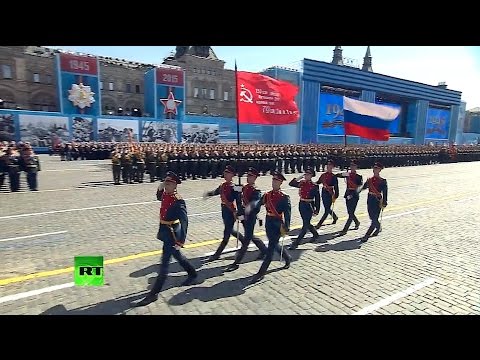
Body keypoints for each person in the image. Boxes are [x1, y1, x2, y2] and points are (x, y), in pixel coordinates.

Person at [135, 172, 197, 307]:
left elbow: (184, 221)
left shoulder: (178, 200)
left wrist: (181, 241)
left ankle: (153, 294)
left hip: (172, 233)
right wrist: (160, 186)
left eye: (169, 184)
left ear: (175, 185)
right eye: (166, 183)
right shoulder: (165, 194)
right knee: (178, 256)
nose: (166, 185)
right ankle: (192, 273)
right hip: (164, 230)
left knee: (164, 264)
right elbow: (158, 196)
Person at [249, 171, 292, 284]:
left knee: (270, 249)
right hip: (269, 222)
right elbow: (258, 204)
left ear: (281, 182)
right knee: (274, 243)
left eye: (276, 181)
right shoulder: (267, 195)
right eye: (273, 180)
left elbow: (287, 213)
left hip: (277, 223)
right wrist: (250, 208)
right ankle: (287, 257)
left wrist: (287, 225)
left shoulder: (284, 197)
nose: (274, 183)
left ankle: (261, 272)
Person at [225, 167, 267, 272]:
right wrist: (235, 190)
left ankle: (236, 262)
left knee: (246, 241)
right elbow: (234, 199)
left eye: (251, 176)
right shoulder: (244, 187)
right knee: (251, 235)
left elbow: (255, 205)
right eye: (248, 176)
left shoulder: (256, 190)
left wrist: (244, 212)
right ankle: (264, 250)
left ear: (255, 178)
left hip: (250, 217)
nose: (248, 178)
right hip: (243, 216)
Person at [203, 165, 244, 262]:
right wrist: (208, 194)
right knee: (230, 230)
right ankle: (244, 240)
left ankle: (217, 254)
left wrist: (239, 212)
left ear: (232, 175)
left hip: (230, 212)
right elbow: (216, 192)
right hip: (224, 210)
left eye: (228, 173)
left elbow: (238, 201)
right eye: (225, 173)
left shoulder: (234, 187)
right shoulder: (223, 185)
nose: (225, 175)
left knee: (226, 233)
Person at [288, 167, 320, 250]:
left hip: (309, 205)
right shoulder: (302, 183)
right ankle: (315, 234)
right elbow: (291, 184)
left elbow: (317, 199)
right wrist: (299, 177)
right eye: (305, 174)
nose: (306, 176)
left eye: (308, 174)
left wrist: (317, 210)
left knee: (305, 225)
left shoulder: (314, 186)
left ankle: (296, 243)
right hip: (302, 204)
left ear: (312, 176)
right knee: (306, 222)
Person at [359, 162, 388, 243]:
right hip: (370, 199)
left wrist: (385, 202)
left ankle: (367, 235)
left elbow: (385, 192)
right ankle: (378, 227)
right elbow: (363, 188)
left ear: (380, 170)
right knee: (371, 217)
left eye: (376, 168)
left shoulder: (383, 181)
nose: (374, 170)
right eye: (374, 168)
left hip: (377, 200)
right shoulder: (370, 180)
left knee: (374, 218)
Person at [335, 159, 363, 235]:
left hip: (354, 195)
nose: (352, 167)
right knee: (350, 212)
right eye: (351, 165)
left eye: (353, 165)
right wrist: (343, 174)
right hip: (347, 193)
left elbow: (360, 187)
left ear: (356, 167)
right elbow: (337, 175)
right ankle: (357, 222)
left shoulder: (359, 177)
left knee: (351, 213)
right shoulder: (348, 174)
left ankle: (345, 230)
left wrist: (354, 194)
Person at [315, 159, 339, 229]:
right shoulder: (323, 175)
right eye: (328, 165)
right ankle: (335, 217)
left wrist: (336, 195)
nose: (329, 167)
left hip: (330, 193)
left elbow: (336, 187)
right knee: (327, 208)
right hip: (324, 192)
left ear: (333, 167)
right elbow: (318, 182)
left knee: (327, 210)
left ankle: (319, 223)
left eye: (330, 165)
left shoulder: (334, 176)